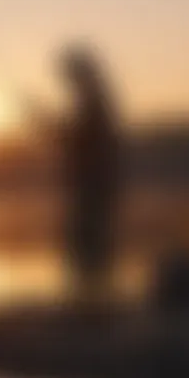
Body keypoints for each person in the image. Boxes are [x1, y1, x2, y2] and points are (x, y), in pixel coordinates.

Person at [23, 45, 121, 303]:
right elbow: (72, 136)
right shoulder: (94, 100)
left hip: (92, 191)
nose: (67, 81)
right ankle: (89, 304)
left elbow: (74, 138)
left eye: (69, 75)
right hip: (92, 190)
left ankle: (92, 308)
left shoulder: (94, 102)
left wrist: (40, 120)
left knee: (87, 252)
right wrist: (42, 120)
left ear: (80, 74)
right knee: (86, 252)